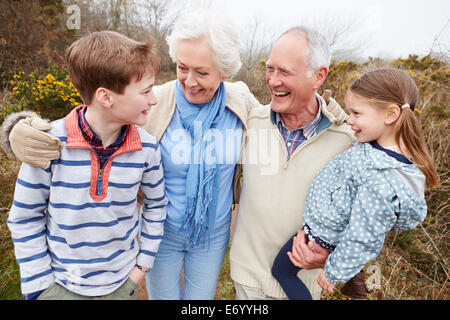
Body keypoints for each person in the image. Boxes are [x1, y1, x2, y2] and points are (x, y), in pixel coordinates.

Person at [1, 14, 347, 299]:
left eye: (202, 72)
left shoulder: (241, 103)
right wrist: (18, 128)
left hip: (212, 237)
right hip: (160, 234)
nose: (189, 81)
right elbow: (95, 115)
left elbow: (287, 117)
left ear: (225, 71)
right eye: (182, 67)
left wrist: (333, 110)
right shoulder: (152, 102)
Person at [6, 31, 167, 300]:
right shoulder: (47, 143)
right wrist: (39, 286)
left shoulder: (147, 148)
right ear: (106, 98)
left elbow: (156, 205)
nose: (154, 100)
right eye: (146, 91)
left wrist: (141, 268)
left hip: (121, 286)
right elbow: (25, 216)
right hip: (59, 287)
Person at [271, 68, 440, 300]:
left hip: (321, 236)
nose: (350, 120)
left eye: (357, 113)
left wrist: (334, 271)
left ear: (391, 114)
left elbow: (364, 234)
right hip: (323, 227)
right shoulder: (377, 146)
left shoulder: (381, 177)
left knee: (282, 272)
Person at [229, 26, 355, 300]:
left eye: (285, 72)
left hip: (301, 288)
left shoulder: (346, 141)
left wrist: (331, 254)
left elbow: (363, 217)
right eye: (270, 69)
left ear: (319, 76)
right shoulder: (251, 122)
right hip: (248, 282)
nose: (273, 81)